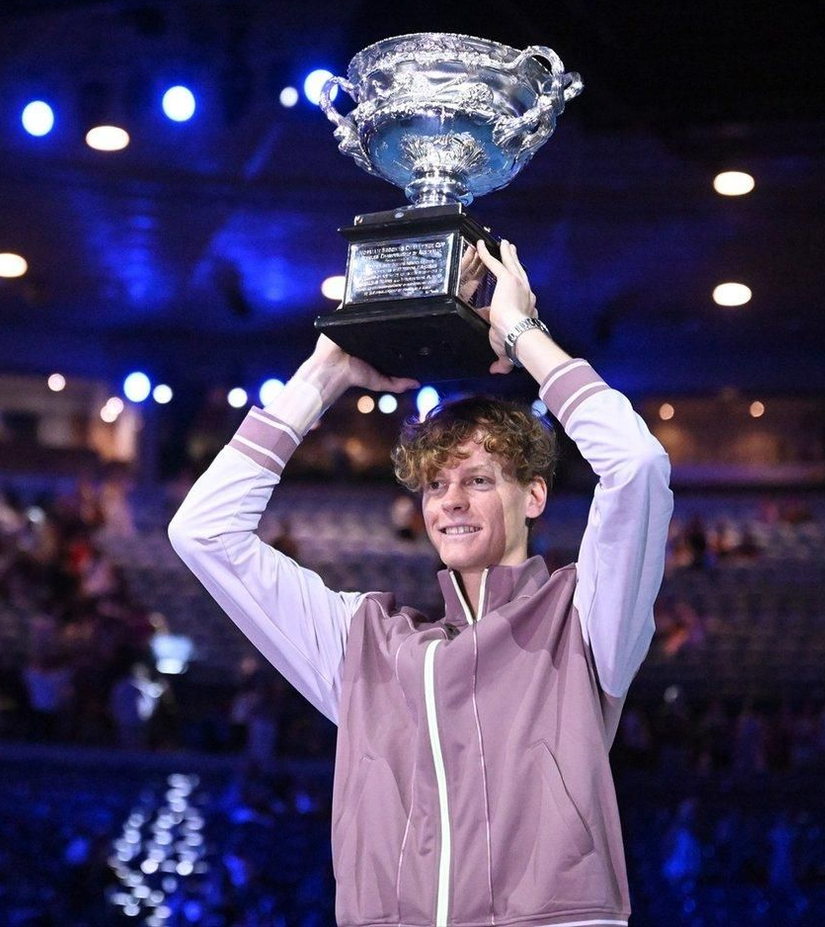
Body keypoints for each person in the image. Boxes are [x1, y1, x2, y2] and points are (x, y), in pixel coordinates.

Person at [169, 240, 673, 926]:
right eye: (436, 484)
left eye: (477, 479)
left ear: (533, 495)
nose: (451, 501)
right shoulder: (367, 643)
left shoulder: (583, 618)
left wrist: (524, 335)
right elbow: (202, 531)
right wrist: (326, 372)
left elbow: (638, 465)